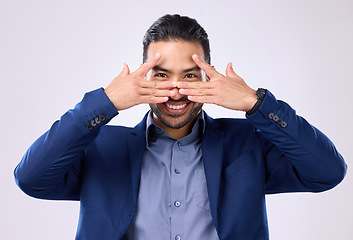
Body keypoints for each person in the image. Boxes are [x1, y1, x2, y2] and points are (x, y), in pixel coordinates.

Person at [14, 14, 347, 240]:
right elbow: (31, 179)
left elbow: (327, 172)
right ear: (142, 79)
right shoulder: (103, 146)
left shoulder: (246, 144)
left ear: (208, 77)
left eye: (189, 75)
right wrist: (105, 102)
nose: (175, 90)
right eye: (161, 75)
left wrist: (256, 103)